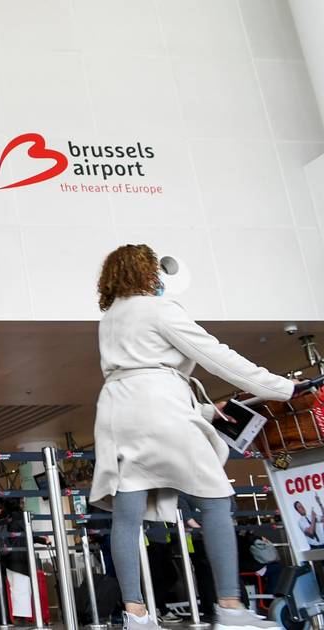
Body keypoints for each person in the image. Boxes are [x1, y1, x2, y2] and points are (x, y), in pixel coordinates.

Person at [89, 244, 298, 630]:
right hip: (160, 410)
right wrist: (281, 388)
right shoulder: (159, 309)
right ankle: (230, 607)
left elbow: (139, 374)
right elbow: (216, 355)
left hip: (118, 412)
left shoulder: (111, 318)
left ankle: (136, 615)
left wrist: (202, 411)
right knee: (215, 499)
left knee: (127, 515)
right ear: (146, 272)